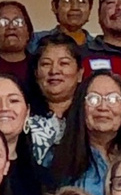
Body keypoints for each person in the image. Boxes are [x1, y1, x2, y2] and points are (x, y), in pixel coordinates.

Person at [49, 72, 121, 195]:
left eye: (112, 99)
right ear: (81, 109)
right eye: (93, 99)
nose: (103, 107)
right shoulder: (56, 161)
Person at [29, 34, 83, 162]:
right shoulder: (22, 114)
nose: (54, 71)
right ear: (36, 73)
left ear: (80, 73)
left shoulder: (89, 115)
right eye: (46, 64)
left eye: (63, 63)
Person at [29, 0, 94, 52]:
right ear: (54, 6)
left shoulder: (97, 46)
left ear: (90, 8)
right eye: (67, 1)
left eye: (82, 1)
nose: (75, 7)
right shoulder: (34, 42)